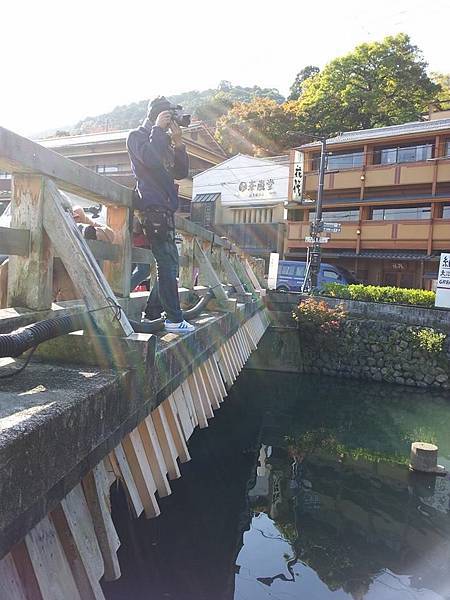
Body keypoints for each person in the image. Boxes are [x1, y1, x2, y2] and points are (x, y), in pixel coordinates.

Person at [127, 96, 194, 332]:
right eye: (167, 117)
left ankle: (156, 312)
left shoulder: (162, 140)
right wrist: (157, 128)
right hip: (152, 204)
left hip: (165, 206)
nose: (170, 123)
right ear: (157, 115)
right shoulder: (138, 136)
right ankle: (173, 319)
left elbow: (180, 172)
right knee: (166, 261)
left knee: (170, 262)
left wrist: (179, 145)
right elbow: (150, 161)